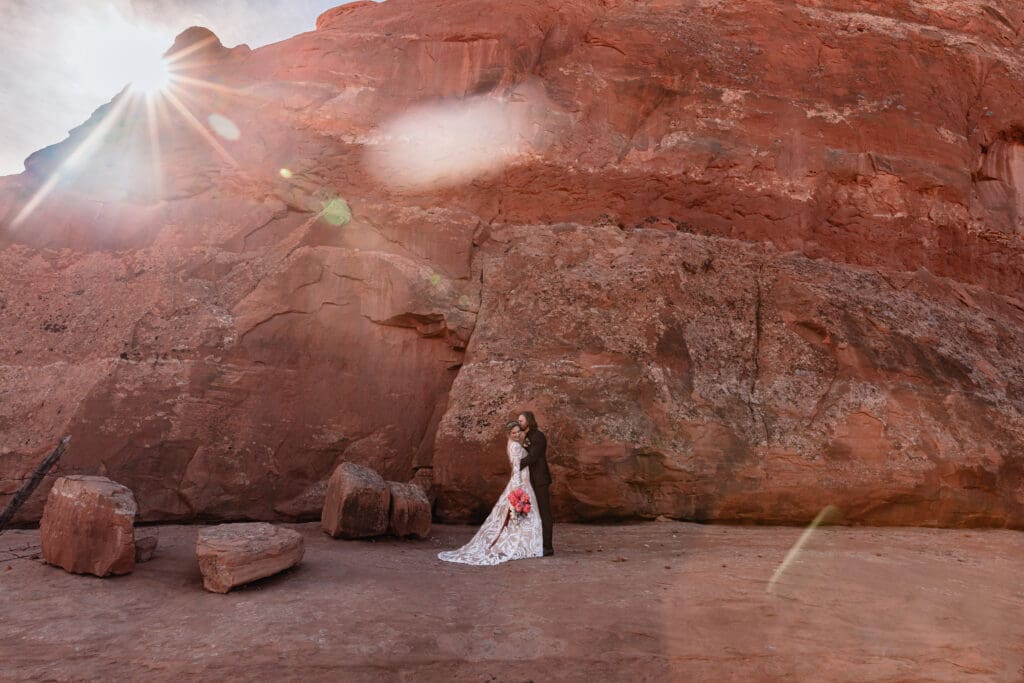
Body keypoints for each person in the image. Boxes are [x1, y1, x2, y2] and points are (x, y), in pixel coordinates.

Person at [437, 422, 543, 565]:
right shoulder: (516, 446)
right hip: (520, 481)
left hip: (520, 480)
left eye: (518, 432)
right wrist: (518, 488)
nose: (517, 435)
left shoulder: (512, 444)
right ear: (508, 434)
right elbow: (517, 467)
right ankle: (521, 545)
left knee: (515, 515)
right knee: (519, 513)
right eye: (514, 433)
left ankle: (520, 544)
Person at [517, 411, 553, 556]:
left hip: (539, 479)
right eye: (518, 421)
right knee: (528, 512)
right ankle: (533, 544)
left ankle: (548, 547)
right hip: (529, 480)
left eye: (521, 421)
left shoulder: (538, 436)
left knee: (544, 513)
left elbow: (533, 457)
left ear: (528, 421)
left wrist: (516, 464)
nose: (519, 423)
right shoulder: (525, 437)